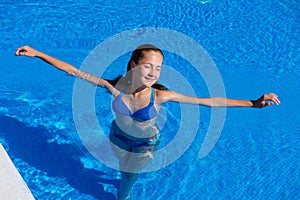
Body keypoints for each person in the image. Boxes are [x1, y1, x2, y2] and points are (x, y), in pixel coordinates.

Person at [15, 44, 280, 200]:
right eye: (148, 66)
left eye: (159, 68)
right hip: (117, 136)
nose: (154, 73)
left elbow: (209, 101)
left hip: (145, 145)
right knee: (120, 165)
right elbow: (74, 71)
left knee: (128, 178)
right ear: (133, 65)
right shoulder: (112, 86)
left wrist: (252, 103)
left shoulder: (162, 96)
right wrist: (38, 53)